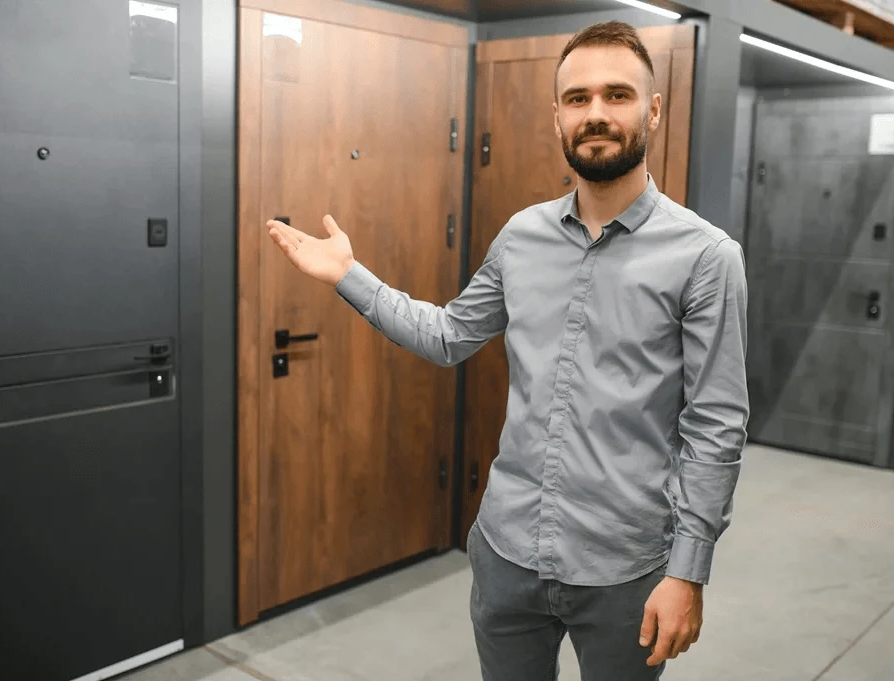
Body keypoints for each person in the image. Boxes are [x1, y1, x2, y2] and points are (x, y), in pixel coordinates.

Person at [266, 20, 749, 681]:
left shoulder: (706, 257)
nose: (596, 114)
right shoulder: (522, 238)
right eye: (577, 99)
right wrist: (349, 275)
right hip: (507, 551)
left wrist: (688, 571)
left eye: (618, 95)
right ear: (556, 117)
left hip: (626, 570)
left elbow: (716, 424)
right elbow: (446, 336)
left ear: (654, 109)